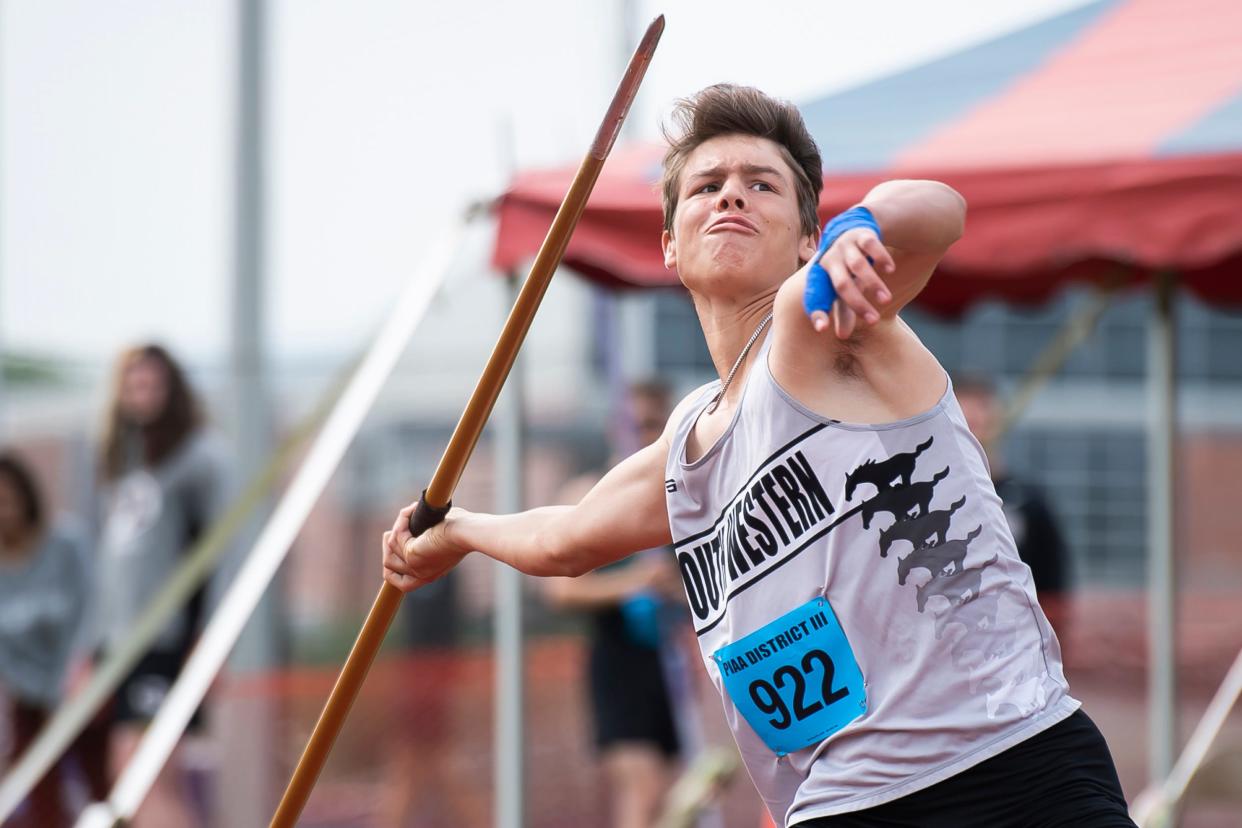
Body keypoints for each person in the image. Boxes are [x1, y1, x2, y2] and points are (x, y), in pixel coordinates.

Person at [383, 85, 1134, 827]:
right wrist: (457, 532)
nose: (731, 198)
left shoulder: (823, 320)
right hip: (845, 803)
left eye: (760, 185)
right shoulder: (685, 450)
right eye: (707, 186)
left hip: (1012, 766)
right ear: (671, 244)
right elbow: (565, 539)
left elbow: (942, 209)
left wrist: (861, 229)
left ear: (807, 235)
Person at [96, 344, 229, 828]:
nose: (142, 394)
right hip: (123, 645)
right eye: (133, 384)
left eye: (152, 384)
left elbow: (221, 555)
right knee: (146, 778)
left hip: (167, 641)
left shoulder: (198, 459)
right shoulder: (124, 462)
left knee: (140, 775)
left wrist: (209, 641)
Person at [544, 380, 687, 828]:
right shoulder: (588, 495)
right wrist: (634, 582)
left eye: (652, 425)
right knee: (642, 788)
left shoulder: (680, 497)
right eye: (634, 424)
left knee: (675, 795)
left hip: (671, 663)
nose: (642, 435)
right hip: (618, 663)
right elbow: (562, 590)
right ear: (614, 428)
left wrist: (673, 590)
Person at [0, 452, 109, 827]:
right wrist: (42, 694)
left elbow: (92, 608)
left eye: (8, 497)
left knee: (106, 788)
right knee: (41, 794)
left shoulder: (67, 542)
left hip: (84, 687)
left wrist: (73, 677)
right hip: (30, 700)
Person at [953, 374, 1071, 637]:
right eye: (966, 421)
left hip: (1016, 643)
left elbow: (1052, 582)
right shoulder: (934, 500)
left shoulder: (1028, 501)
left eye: (983, 418)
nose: (976, 429)